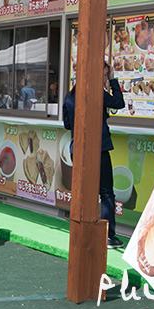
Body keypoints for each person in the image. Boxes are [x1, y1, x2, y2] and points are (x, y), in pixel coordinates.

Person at [63, 59, 125, 249]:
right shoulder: (99, 93)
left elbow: (67, 125)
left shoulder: (70, 96)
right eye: (105, 74)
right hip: (99, 149)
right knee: (106, 193)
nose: (106, 78)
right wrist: (113, 82)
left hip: (78, 149)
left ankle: (82, 231)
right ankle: (108, 236)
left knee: (83, 192)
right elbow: (119, 103)